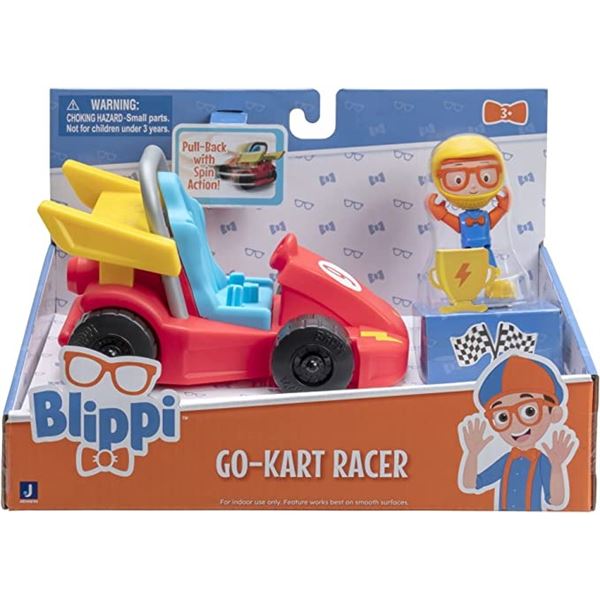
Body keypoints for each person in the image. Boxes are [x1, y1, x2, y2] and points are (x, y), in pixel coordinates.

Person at [459, 354, 578, 511]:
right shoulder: (507, 460)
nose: (515, 424)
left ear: (554, 413)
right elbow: (472, 484)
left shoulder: (543, 461)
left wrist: (557, 466)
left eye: (529, 411)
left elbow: (556, 501)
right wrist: (472, 454)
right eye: (502, 417)